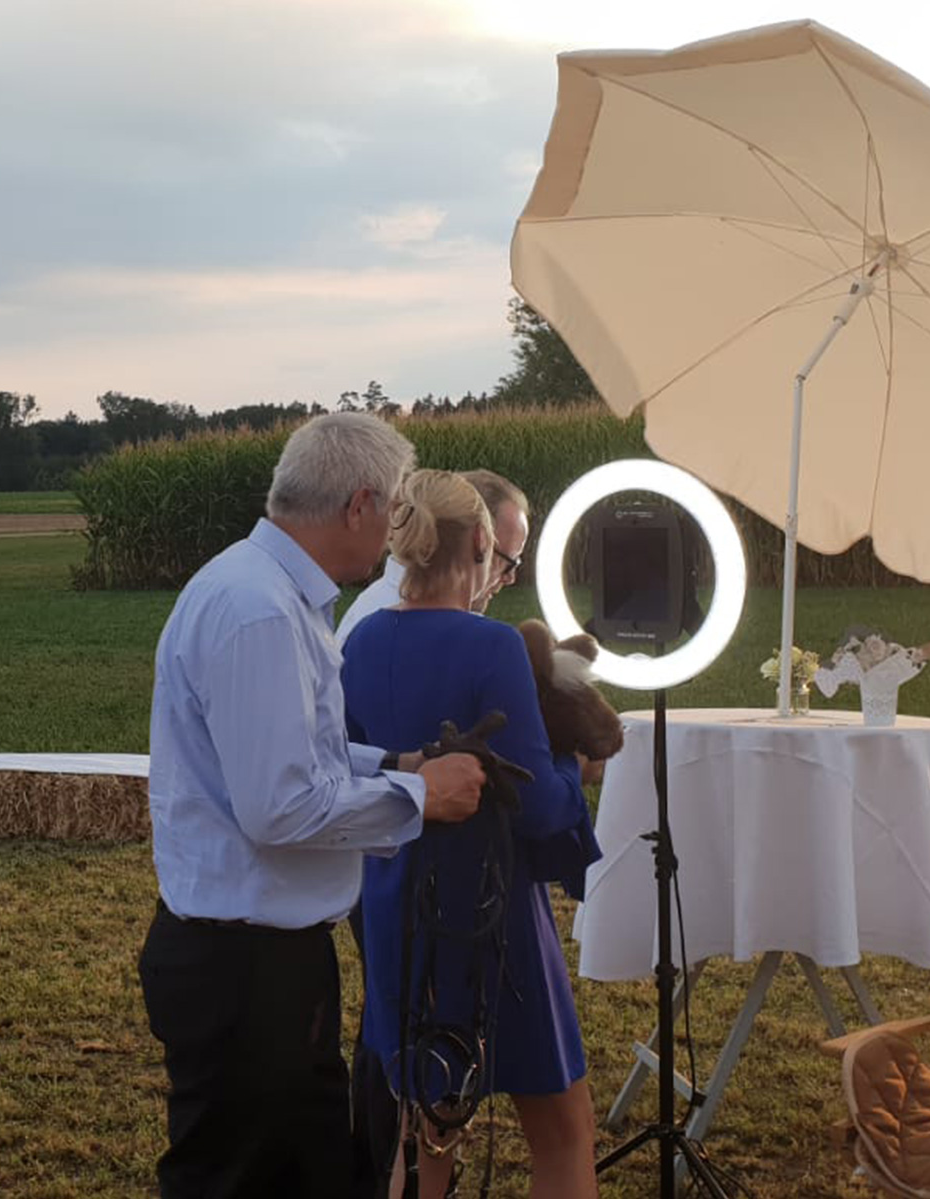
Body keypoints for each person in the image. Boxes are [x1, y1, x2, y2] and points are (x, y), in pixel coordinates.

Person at [138, 413, 488, 1199]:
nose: (399, 537)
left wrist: (392, 762)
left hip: (257, 955)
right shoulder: (260, 610)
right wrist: (419, 796)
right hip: (248, 967)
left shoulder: (262, 590)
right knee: (243, 1177)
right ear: (360, 504)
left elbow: (287, 757)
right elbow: (280, 807)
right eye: (397, 511)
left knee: (293, 1170)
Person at [340, 469, 600, 1199]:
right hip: (493, 913)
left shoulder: (360, 645)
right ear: (484, 542)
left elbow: (355, 767)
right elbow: (537, 802)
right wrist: (568, 764)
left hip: (397, 904)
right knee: (563, 1125)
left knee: (422, 1129)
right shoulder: (494, 648)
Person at [335, 468, 529, 647]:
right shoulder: (484, 643)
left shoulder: (367, 619)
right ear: (478, 540)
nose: (510, 578)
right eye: (508, 562)